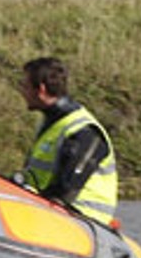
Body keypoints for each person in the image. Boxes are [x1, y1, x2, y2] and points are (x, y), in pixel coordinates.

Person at [19, 56, 118, 221]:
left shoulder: (83, 131)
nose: (22, 91)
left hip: (83, 220)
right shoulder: (53, 125)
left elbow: (66, 191)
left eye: (24, 85)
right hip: (47, 214)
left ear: (41, 89)